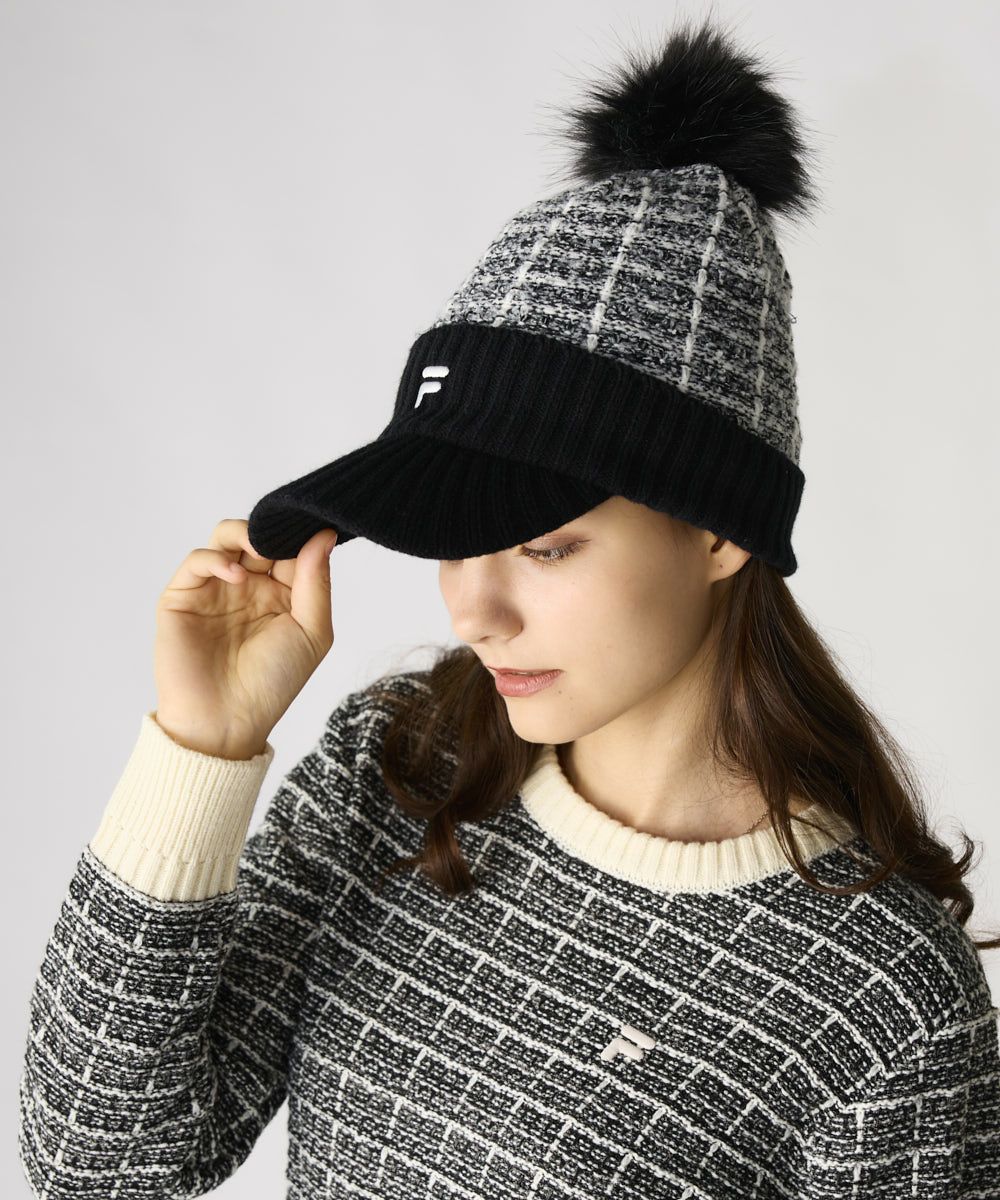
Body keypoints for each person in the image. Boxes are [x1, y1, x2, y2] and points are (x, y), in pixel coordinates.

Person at [18, 16, 1000, 1199]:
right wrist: (201, 747)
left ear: (719, 532)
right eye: (455, 539)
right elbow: (101, 1160)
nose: (474, 612)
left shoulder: (882, 1001)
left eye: (543, 545)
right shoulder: (400, 768)